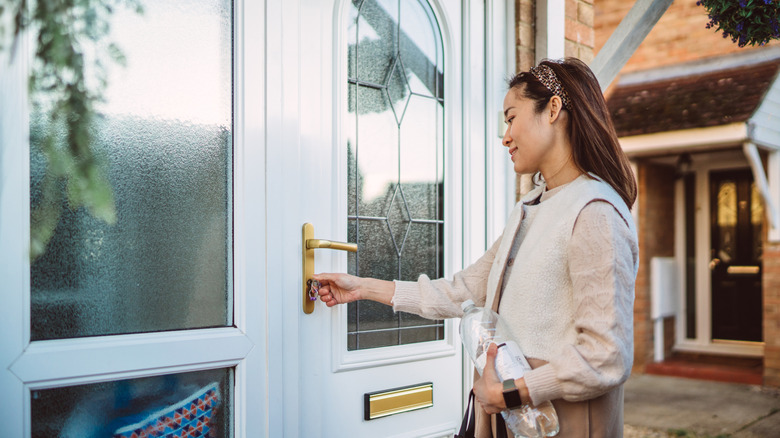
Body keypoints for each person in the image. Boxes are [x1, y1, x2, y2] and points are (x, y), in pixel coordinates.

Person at [313, 58, 638, 438]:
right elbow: (462, 291)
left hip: (561, 422)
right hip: (514, 416)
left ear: (552, 109)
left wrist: (511, 393)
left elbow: (606, 355)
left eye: (511, 117)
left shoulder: (594, 212)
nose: (506, 136)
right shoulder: (531, 208)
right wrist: (363, 288)